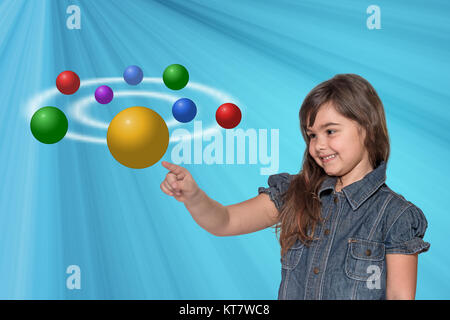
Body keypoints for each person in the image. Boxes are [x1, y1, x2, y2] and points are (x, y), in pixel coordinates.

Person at [160, 74, 430, 300]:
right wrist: (194, 197)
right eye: (311, 135)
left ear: (367, 129)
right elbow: (225, 221)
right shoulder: (294, 193)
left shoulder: (396, 216)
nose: (318, 145)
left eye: (330, 131)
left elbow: (399, 297)